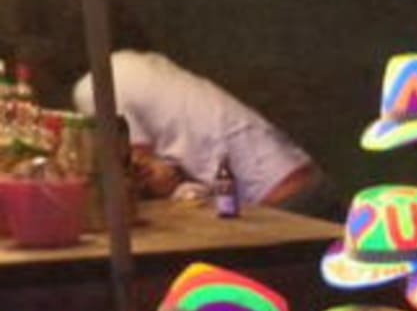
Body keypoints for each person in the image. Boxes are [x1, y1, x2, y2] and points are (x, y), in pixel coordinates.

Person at [72, 49, 332, 215]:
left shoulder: (93, 86)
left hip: (281, 197)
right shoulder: (131, 62)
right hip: (297, 175)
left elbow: (139, 169)